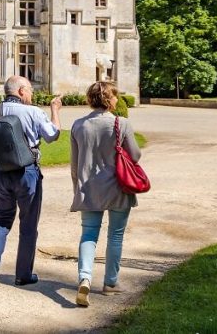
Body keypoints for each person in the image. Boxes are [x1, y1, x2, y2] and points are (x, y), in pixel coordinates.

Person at [0, 75, 62, 287]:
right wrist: (55, 111)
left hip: (0, 171)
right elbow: (53, 135)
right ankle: (23, 274)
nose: (32, 94)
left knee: (1, 218)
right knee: (28, 223)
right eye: (31, 90)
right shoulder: (33, 112)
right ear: (22, 91)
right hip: (27, 173)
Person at [70, 81, 142, 307]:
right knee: (115, 235)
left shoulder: (78, 125)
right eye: (115, 97)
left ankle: (85, 278)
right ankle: (110, 283)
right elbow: (136, 155)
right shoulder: (122, 124)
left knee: (89, 234)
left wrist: (77, 188)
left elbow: (74, 166)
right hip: (118, 187)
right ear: (110, 100)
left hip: (89, 188)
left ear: (91, 99)